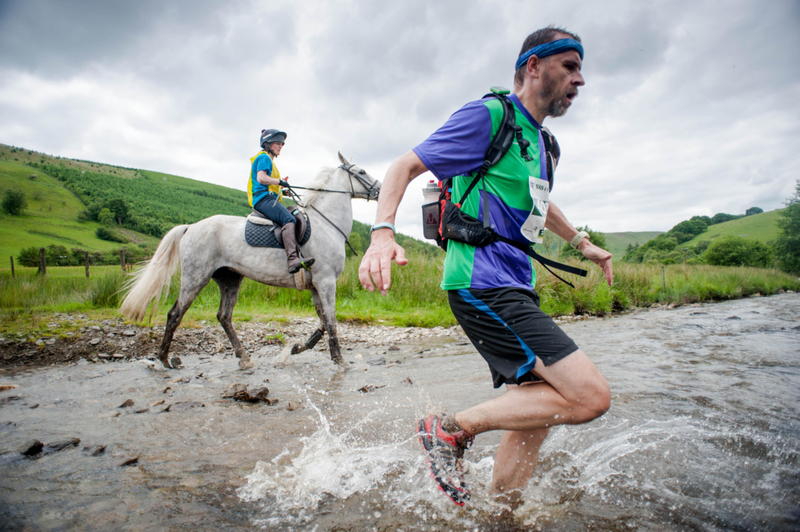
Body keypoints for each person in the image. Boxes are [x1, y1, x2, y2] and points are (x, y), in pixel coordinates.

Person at [358, 26, 613, 506]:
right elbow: (403, 166)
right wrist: (382, 233)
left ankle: (501, 508)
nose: (580, 80)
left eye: (581, 69)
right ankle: (449, 430)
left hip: (517, 283)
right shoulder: (490, 116)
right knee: (589, 396)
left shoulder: (542, 143)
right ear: (533, 65)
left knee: (540, 405)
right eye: (570, 67)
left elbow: (539, 203)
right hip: (482, 283)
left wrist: (583, 244)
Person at [249, 128, 314, 273]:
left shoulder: (269, 160)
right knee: (289, 219)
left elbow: (268, 183)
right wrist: (279, 181)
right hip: (262, 199)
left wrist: (283, 190)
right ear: (267, 144)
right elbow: (261, 178)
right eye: (277, 143)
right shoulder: (264, 157)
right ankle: (292, 260)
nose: (280, 146)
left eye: (282, 144)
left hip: (267, 197)